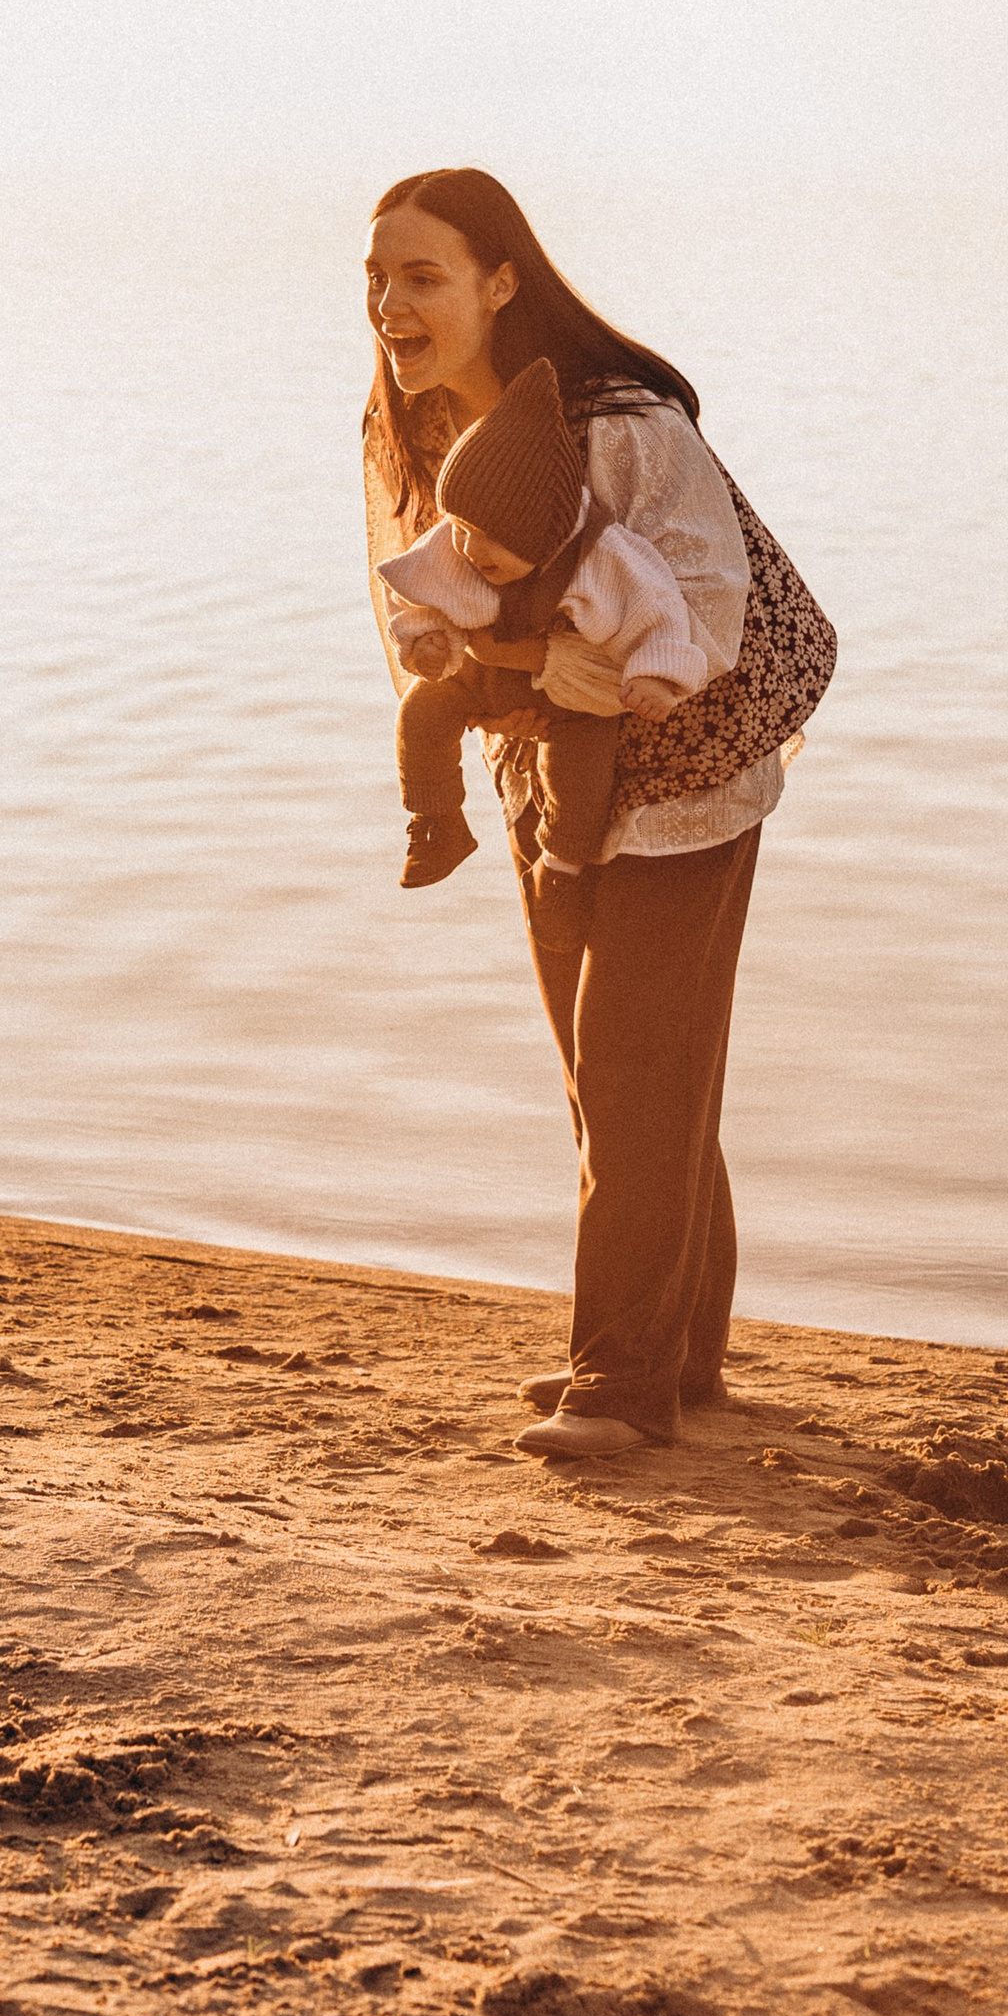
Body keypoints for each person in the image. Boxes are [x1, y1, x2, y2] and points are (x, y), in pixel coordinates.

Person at [363, 168, 786, 1460]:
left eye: (422, 275)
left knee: (636, 1070)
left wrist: (539, 667)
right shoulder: (417, 426)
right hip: (545, 774)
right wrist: (470, 686)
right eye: (376, 278)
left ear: (502, 282)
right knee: (614, 1082)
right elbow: (412, 602)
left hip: (684, 778)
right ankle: (675, 1356)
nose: (390, 304)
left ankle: (620, 1385)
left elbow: (707, 610)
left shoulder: (626, 424)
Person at [376, 353, 707, 933]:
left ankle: (560, 869)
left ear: (542, 532)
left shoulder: (604, 558)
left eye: (488, 537)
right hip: (486, 674)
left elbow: (656, 610)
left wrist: (654, 675)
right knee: (422, 709)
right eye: (461, 529)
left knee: (583, 764)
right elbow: (416, 589)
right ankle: (437, 820)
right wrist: (427, 640)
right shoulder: (458, 543)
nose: (470, 549)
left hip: (572, 693)